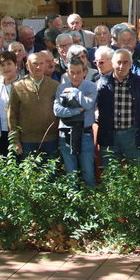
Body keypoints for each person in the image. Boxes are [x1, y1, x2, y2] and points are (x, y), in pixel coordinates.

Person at [96, 48, 140, 167]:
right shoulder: (102, 82)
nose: (121, 66)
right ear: (113, 63)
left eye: (125, 62)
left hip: (132, 134)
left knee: (139, 172)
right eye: (118, 62)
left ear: (130, 64)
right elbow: (95, 105)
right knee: (111, 174)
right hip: (109, 134)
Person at [8, 51, 60, 161]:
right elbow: (12, 115)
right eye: (35, 63)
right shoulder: (18, 87)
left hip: (51, 139)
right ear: (27, 66)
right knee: (29, 175)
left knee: (51, 175)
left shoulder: (54, 85)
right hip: (27, 141)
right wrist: (15, 140)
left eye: (41, 63)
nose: (38, 67)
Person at [53, 57, 97, 186]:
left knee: (88, 172)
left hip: (85, 134)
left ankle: (91, 202)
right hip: (66, 133)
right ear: (67, 72)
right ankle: (74, 203)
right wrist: (78, 110)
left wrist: (75, 92)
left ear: (84, 72)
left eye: (78, 72)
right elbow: (57, 110)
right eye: (72, 72)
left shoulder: (91, 87)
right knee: (70, 173)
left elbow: (89, 105)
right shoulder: (61, 88)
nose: (75, 76)